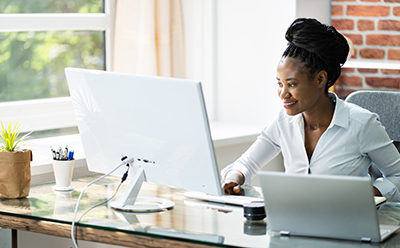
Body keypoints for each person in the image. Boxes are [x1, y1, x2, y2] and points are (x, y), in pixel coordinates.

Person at [220, 18, 400, 202]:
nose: (283, 94)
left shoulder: (361, 124)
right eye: (279, 83)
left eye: (292, 84)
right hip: (293, 222)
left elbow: (398, 177)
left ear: (320, 79)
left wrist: (365, 195)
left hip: (345, 225)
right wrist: (234, 177)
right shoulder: (284, 121)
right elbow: (246, 163)